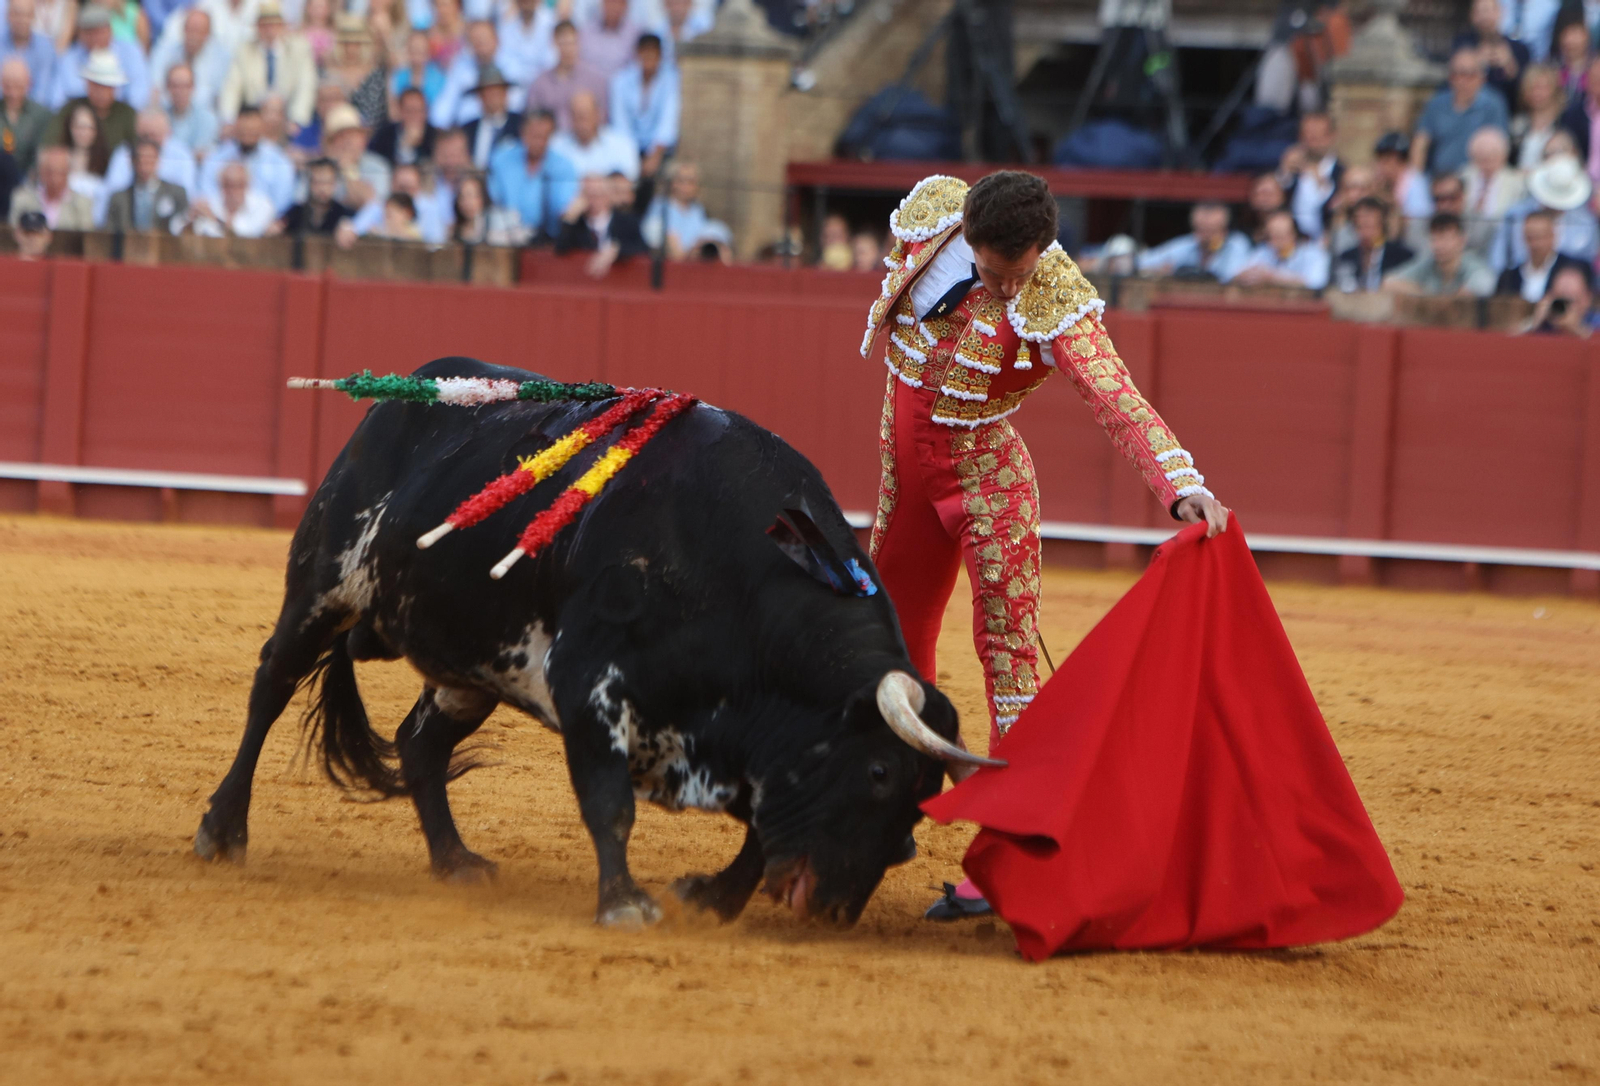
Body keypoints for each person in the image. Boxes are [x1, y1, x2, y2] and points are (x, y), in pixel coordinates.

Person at [857, 172, 1227, 922]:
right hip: (907, 477)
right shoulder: (932, 215)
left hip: (989, 485)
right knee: (885, 636)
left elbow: (1117, 398)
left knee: (1010, 656)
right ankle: (886, 802)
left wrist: (1179, 484)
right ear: (965, 230)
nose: (1001, 286)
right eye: (991, 271)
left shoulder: (1054, 295)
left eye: (1015, 274)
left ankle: (1009, 851)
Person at [1412, 48, 1511, 176]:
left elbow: (1499, 149)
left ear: (1481, 77)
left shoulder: (1493, 104)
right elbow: (1420, 143)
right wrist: (1416, 180)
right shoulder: (1437, 102)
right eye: (1455, 74)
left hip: (1476, 179)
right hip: (1439, 179)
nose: (1461, 80)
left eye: (1467, 74)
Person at [1493, 152, 1600, 269]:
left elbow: (1588, 263)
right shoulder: (1515, 215)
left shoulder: (1586, 223)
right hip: (1517, 281)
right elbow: (1499, 258)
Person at [219, 2, 317, 128]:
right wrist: (229, 120)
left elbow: (306, 86)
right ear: (257, 27)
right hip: (254, 118)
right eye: (265, 25)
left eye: (274, 25)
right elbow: (232, 86)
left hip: (287, 118)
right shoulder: (245, 51)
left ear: (282, 26)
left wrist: (297, 119)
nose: (270, 30)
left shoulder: (299, 49)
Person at [487, 107, 576, 240]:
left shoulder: (563, 166)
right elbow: (493, 200)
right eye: (534, 135)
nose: (539, 142)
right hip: (506, 237)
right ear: (523, 133)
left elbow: (562, 210)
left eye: (544, 136)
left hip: (548, 240)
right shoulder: (502, 160)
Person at [49, 7, 149, 111]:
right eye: (90, 33)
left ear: (110, 30)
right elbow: (57, 101)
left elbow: (139, 96)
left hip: (119, 116)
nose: (96, 38)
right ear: (81, 34)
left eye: (100, 32)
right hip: (79, 119)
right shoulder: (68, 58)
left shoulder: (130, 52)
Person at [608, 32, 676, 185]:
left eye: (653, 54)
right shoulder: (621, 81)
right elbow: (621, 124)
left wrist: (655, 154)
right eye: (645, 53)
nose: (649, 58)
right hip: (627, 146)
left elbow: (668, 121)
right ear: (637, 54)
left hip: (660, 149)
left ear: (660, 56)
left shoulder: (671, 80)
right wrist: (631, 157)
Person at [201, 104, 297, 211]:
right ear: (235, 127)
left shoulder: (279, 160)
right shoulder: (216, 157)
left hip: (265, 223)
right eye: (244, 130)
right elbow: (207, 193)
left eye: (252, 130)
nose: (247, 135)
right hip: (221, 220)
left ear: (262, 128)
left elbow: (282, 200)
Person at [554, 170, 647, 276]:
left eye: (598, 195)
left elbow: (642, 248)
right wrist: (570, 217)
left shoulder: (626, 221)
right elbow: (560, 249)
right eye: (588, 195)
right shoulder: (576, 223)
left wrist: (616, 250)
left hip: (619, 280)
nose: (593, 201)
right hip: (582, 280)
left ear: (608, 196)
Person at [45, 49, 137, 154]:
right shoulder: (70, 109)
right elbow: (51, 144)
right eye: (97, 85)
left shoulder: (127, 114)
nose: (101, 92)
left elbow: (135, 150)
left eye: (107, 87)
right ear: (88, 84)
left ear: (115, 88)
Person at [1384, 212, 1497, 296]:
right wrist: (1428, 296)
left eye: (1446, 239)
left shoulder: (1473, 265)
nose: (1439, 245)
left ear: (1462, 241)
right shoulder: (1428, 263)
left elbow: (1483, 286)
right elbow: (1389, 283)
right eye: (1435, 239)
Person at [1134, 201, 1250, 281]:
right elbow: (1142, 262)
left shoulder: (1237, 243)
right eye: (1200, 230)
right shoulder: (1189, 243)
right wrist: (1156, 271)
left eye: (1211, 231)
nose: (1205, 236)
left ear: (1225, 231)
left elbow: (1232, 276)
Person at [526, 20, 607, 132]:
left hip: (586, 142)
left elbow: (603, 119)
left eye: (572, 43)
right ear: (554, 43)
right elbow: (533, 119)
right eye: (563, 43)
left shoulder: (596, 80)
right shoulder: (540, 83)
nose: (568, 49)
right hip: (551, 142)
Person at [639, 159, 730, 259]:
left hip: (695, 257)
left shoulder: (697, 210)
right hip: (670, 260)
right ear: (672, 183)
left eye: (690, 182)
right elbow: (653, 235)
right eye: (681, 181)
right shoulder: (661, 205)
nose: (685, 186)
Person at [1495, 207, 1591, 300]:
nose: (1536, 244)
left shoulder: (1573, 269)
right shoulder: (1509, 277)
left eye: (1540, 237)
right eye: (1530, 237)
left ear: (1553, 236)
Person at [1460, 125, 1526, 257]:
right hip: (1465, 243)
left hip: (1499, 244)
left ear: (1503, 156)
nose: (1487, 162)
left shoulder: (1517, 183)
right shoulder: (1462, 177)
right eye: (1481, 157)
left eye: (1492, 156)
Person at [148, 9, 229, 115]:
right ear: (183, 30)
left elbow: (219, 97)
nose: (193, 36)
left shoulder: (221, 58)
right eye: (190, 29)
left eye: (199, 31)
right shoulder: (164, 52)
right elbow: (155, 89)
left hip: (205, 118)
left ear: (208, 35)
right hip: (167, 115)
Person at [1278, 111, 1342, 242]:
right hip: (1290, 243)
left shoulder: (1341, 173)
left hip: (1326, 242)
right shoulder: (1291, 168)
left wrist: (1321, 183)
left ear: (1331, 136)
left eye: (1317, 136)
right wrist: (1284, 171)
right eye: (1307, 135)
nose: (1311, 141)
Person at [1453, 0, 1529, 109]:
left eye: (1488, 10)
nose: (1484, 16)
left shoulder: (1519, 49)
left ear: (1500, 12)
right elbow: (1450, 84)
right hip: (1468, 110)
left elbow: (1527, 92)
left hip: (1508, 110)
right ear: (1472, 16)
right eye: (1479, 11)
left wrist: (1510, 65)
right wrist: (1473, 62)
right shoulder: (1462, 44)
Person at [104, 136, 188, 232]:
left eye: (149, 160)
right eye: (140, 160)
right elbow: (109, 233)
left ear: (158, 160)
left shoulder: (176, 194)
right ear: (132, 162)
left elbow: (183, 230)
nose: (145, 167)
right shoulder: (119, 198)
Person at [549, 89, 637, 180]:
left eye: (586, 116)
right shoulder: (556, 146)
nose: (581, 122)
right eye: (577, 116)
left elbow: (628, 184)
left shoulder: (621, 145)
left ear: (597, 115)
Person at [1234, 208, 1331, 289]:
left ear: (1293, 235)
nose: (1273, 242)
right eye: (1270, 236)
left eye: (1280, 236)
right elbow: (1235, 275)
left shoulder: (1314, 254)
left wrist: (1273, 278)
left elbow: (1316, 283)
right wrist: (1245, 275)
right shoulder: (1264, 251)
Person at [1333, 196, 1414, 292]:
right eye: (1359, 218)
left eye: (1369, 217)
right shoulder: (1346, 257)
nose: (1364, 220)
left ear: (1382, 221)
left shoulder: (1401, 256)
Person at [9, 144, 95, 228]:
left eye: (60, 173)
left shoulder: (82, 204)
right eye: (50, 172)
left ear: (68, 172)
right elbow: (11, 234)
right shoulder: (22, 199)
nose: (55, 178)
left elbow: (87, 238)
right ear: (41, 172)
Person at [188, 158, 276, 235]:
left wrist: (215, 220)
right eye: (227, 185)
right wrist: (191, 221)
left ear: (247, 185)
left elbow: (246, 234)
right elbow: (178, 229)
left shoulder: (262, 205)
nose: (232, 191)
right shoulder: (210, 203)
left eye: (238, 185)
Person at [460, 63, 520, 169]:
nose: (493, 98)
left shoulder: (520, 125)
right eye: (487, 93)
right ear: (479, 97)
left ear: (505, 94)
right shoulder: (468, 130)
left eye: (497, 92)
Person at [1, 57, 51, 176]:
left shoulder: (41, 115)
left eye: (19, 87)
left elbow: (41, 155)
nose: (13, 93)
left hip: (27, 181)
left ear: (29, 84)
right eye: (8, 87)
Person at [1, 0, 56, 103]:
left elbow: (43, 90)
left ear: (34, 16)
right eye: (17, 14)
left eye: (27, 15)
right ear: (7, 15)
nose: (21, 20)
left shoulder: (45, 47)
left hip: (33, 111)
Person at [1512, 62, 1566, 168]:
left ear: (1554, 90)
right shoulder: (1518, 123)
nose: (1537, 93)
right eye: (1533, 88)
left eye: (1543, 88)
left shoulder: (1565, 121)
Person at [368, 85, 437, 166]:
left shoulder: (435, 137)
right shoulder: (384, 135)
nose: (414, 115)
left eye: (419, 110)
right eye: (409, 110)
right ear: (400, 111)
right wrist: (404, 146)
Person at [452, 169, 525, 245]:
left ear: (483, 197)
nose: (467, 203)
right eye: (462, 197)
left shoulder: (498, 226)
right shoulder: (454, 231)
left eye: (472, 196)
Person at [496, 0, 555, 92]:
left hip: (546, 84)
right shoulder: (507, 27)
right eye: (523, 1)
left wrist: (537, 81)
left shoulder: (551, 23)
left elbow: (551, 59)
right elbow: (505, 60)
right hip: (516, 86)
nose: (527, 2)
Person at [163, 63, 220, 157]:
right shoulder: (159, 117)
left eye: (185, 86)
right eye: (175, 86)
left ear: (193, 88)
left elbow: (200, 155)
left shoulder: (207, 119)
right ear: (167, 87)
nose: (179, 91)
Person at [1526, 264, 1599, 334]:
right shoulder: (1545, 324)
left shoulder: (1596, 322)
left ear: (1587, 299)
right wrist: (1534, 324)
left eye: (1570, 301)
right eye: (1560, 301)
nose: (1564, 307)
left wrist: (1577, 330)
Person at [580, 0, 638, 82]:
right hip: (589, 89)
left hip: (622, 91)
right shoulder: (586, 31)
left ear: (626, 6)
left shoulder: (635, 35)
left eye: (617, 2)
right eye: (609, 2)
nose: (613, 7)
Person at [390, 29, 446, 107]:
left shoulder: (439, 79)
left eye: (420, 51)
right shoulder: (399, 77)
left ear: (428, 52)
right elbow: (394, 110)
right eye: (413, 51)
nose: (416, 57)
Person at [1245, 170, 1286, 242]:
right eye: (1261, 193)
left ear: (1282, 196)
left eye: (1269, 194)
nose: (1265, 199)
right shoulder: (1243, 227)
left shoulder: (1292, 227)